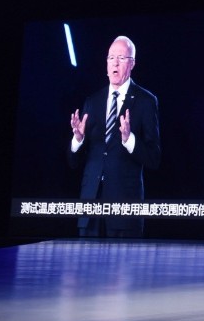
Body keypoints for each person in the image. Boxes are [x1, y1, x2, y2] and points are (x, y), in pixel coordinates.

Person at [68, 35, 162, 237]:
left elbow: (154, 158)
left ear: (132, 63)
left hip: (124, 209)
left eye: (121, 58)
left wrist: (129, 139)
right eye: (111, 58)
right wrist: (78, 140)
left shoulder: (146, 101)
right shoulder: (93, 101)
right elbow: (73, 162)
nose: (115, 63)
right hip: (90, 207)